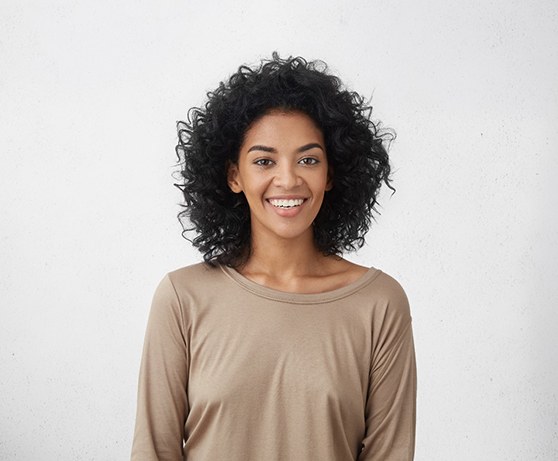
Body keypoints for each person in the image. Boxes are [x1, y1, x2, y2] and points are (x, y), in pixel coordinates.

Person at [131, 54, 416, 461]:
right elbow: (153, 453)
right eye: (264, 161)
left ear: (331, 174)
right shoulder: (182, 298)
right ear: (234, 176)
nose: (288, 179)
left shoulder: (379, 304)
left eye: (308, 160)